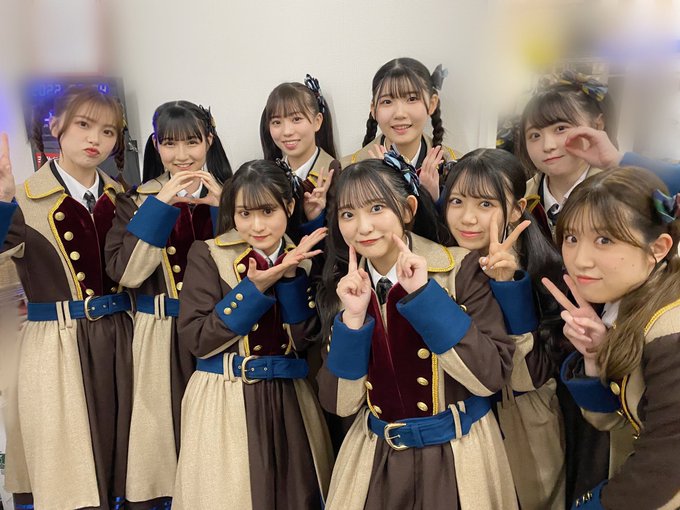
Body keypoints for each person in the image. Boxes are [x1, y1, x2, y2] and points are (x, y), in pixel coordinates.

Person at [316, 153, 517, 509]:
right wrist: (353, 320)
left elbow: (489, 377)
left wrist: (424, 297)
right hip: (377, 457)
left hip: (458, 454)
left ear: (408, 209)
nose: (363, 227)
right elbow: (340, 405)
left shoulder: (459, 268)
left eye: (377, 208)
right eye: (348, 214)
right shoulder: (343, 286)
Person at [172, 159, 333, 509]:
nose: (257, 226)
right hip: (223, 397)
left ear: (289, 206)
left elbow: (307, 341)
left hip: (291, 399)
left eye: (268, 211)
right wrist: (252, 289)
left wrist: (288, 277)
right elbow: (197, 339)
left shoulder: (305, 259)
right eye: (245, 214)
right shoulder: (209, 254)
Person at [0, 86, 132, 510]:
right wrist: (2, 203)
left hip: (121, 339)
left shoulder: (123, 197)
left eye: (108, 131)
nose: (96, 139)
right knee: (68, 463)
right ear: (55, 125)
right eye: (84, 125)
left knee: (123, 456)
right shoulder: (23, 199)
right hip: (56, 345)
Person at [105, 100, 232, 508]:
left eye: (192, 142)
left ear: (209, 140)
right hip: (158, 333)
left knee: (220, 436)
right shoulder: (134, 200)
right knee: (163, 436)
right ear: (156, 145)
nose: (182, 155)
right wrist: (161, 204)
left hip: (221, 331)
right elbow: (126, 274)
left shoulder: (232, 194)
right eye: (169, 143)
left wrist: (224, 210)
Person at [543, 166, 680, 509]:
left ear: (658, 248)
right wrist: (596, 355)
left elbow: (665, 468)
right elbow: (618, 423)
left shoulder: (671, 333)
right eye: (571, 238)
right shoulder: (634, 302)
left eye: (604, 240)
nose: (579, 260)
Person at [441, 148, 566, 509]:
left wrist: (509, 286)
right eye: (457, 201)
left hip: (520, 420)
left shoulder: (543, 267)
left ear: (515, 210)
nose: (467, 218)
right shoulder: (439, 264)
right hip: (461, 427)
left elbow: (527, 378)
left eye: (485, 204)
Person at [340, 58, 459, 200]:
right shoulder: (346, 169)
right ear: (374, 109)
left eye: (412, 99)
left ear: (432, 104)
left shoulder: (458, 167)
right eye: (387, 101)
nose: (400, 114)